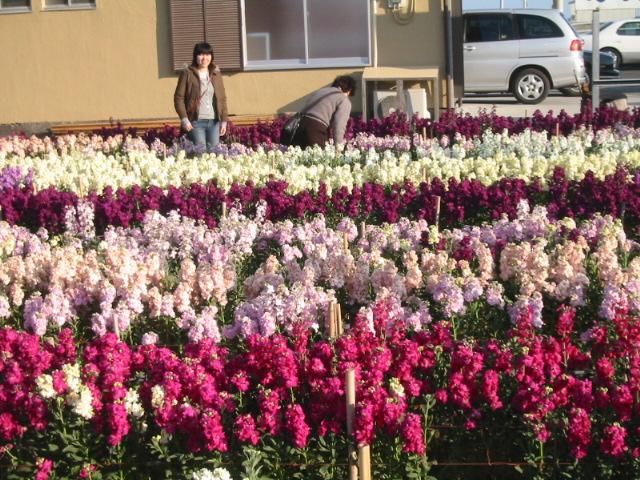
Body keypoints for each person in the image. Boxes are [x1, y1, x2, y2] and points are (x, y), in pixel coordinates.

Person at [174, 42, 229, 149]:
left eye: (207, 54)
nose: (204, 58)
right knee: (200, 153)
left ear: (211, 56)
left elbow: (222, 99)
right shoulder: (187, 73)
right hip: (195, 122)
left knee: (214, 153)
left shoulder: (216, 74)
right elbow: (178, 98)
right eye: (201, 54)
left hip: (214, 122)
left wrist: (224, 121)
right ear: (195, 56)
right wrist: (184, 119)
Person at [290, 75, 356, 149]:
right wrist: (338, 147)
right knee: (320, 155)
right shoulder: (343, 99)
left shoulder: (321, 91)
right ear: (349, 90)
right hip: (316, 129)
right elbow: (339, 125)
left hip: (299, 126)